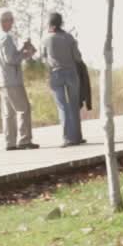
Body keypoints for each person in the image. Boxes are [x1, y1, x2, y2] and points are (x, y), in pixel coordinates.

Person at [38, 13, 88, 147]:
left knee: (62, 107)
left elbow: (43, 59)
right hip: (71, 73)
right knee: (74, 105)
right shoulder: (69, 37)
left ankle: (67, 138)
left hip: (55, 75)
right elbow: (77, 57)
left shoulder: (46, 39)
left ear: (51, 25)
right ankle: (77, 137)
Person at [0, 8, 38, 151]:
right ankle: (24, 140)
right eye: (11, 20)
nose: (12, 22)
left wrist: (21, 49)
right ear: (4, 21)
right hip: (12, 80)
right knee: (23, 108)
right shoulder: (6, 38)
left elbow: (8, 56)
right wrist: (26, 54)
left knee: (8, 113)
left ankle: (10, 142)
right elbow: (10, 59)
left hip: (1, 80)